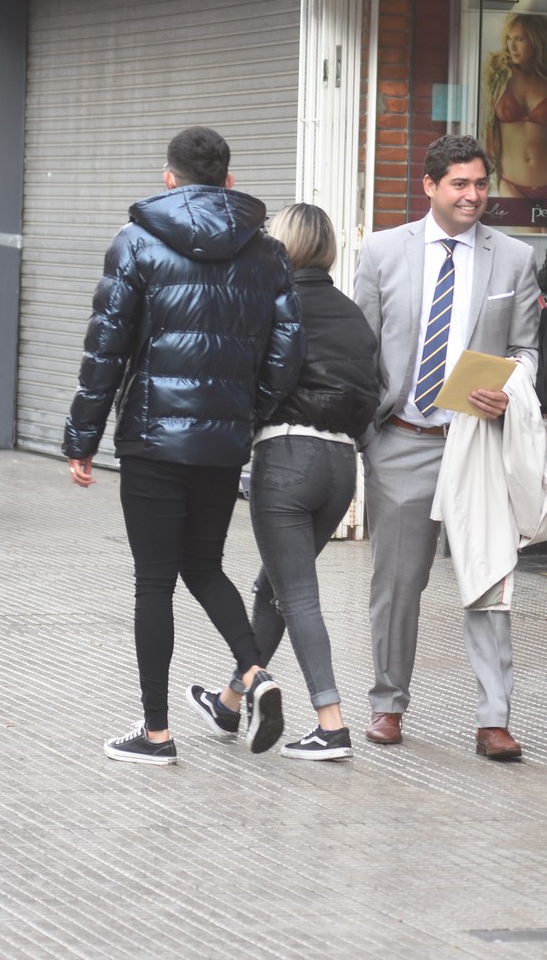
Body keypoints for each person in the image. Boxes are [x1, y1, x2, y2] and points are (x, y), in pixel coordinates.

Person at [63, 126, 304, 766]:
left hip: (153, 439)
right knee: (203, 565)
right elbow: (287, 352)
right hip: (222, 443)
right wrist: (247, 413)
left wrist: (81, 437)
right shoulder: (268, 252)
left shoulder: (137, 242)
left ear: (169, 177)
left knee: (154, 582)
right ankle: (253, 673)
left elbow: (105, 348)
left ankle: (157, 733)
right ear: (229, 179)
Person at [352, 134, 541, 760]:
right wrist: (366, 434)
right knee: (398, 584)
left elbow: (527, 350)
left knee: (489, 581)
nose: (473, 195)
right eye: (460, 184)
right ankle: (387, 705)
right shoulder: (381, 251)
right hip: (403, 440)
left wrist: (511, 387)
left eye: (482, 184)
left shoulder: (513, 257)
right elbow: (363, 348)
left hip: (477, 442)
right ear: (429, 186)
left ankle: (494, 719)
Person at [187, 204, 379, 762]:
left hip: (287, 457)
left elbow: (247, 379)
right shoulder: (352, 314)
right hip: (342, 468)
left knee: (297, 596)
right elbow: (370, 391)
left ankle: (331, 722)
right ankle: (229, 700)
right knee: (273, 586)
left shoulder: (272, 304)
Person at [482, 14, 547, 201]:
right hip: (511, 181)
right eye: (509, 39)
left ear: (535, 41)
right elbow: (486, 125)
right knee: (520, 231)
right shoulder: (498, 76)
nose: (512, 46)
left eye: (519, 39)